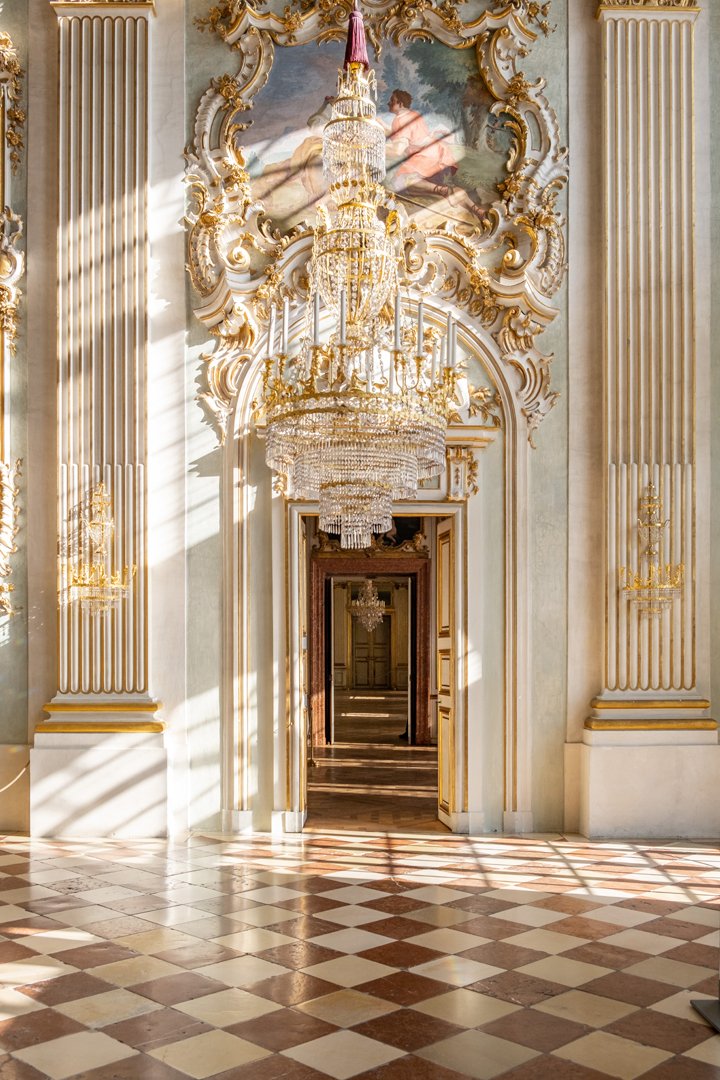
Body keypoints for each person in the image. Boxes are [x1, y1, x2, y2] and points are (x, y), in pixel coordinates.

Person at [385, 89, 458, 195]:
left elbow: (398, 150)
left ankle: (442, 190)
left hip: (426, 156)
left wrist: (376, 148)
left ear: (400, 104)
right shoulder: (413, 114)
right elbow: (403, 134)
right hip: (440, 153)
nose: (389, 103)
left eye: (392, 100)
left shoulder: (400, 120)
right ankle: (441, 188)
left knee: (401, 180)